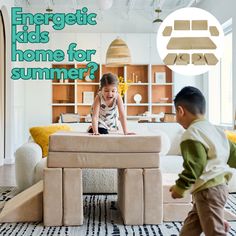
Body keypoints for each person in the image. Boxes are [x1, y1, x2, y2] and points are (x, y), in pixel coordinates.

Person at [169, 86, 235, 236]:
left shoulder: (192, 134)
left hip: (208, 190)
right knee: (191, 226)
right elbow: (233, 154)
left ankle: (218, 225)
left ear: (180, 111)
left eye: (175, 114)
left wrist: (180, 188)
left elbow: (194, 166)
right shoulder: (215, 130)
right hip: (218, 187)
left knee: (215, 231)